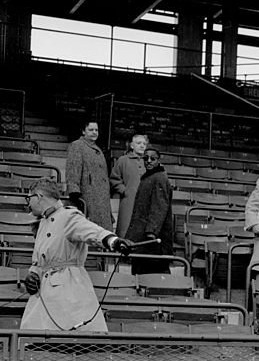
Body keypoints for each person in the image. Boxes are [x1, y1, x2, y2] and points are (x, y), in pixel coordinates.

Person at [20, 178, 129, 333]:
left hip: (68, 289)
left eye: (29, 198)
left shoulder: (68, 216)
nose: (28, 204)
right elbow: (40, 259)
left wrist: (113, 241)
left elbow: (92, 231)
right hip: (44, 292)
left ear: (38, 197)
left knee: (72, 338)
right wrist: (32, 275)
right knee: (36, 340)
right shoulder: (42, 222)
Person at [124, 148, 174, 275]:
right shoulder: (148, 177)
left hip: (152, 238)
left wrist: (151, 231)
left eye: (153, 158)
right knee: (140, 270)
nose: (149, 161)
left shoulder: (159, 178)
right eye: (146, 158)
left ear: (158, 160)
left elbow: (160, 206)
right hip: (142, 234)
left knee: (153, 273)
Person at [65, 119, 113, 228]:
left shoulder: (98, 149)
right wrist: (74, 190)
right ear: (83, 131)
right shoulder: (77, 145)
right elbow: (73, 168)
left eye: (96, 130)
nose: (94, 132)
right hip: (87, 194)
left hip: (100, 196)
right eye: (91, 130)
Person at [109, 133, 147, 237]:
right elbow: (114, 178)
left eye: (144, 143)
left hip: (146, 202)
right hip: (128, 201)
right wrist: (124, 191)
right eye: (138, 143)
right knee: (125, 229)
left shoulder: (150, 161)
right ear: (132, 145)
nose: (142, 145)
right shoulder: (123, 160)